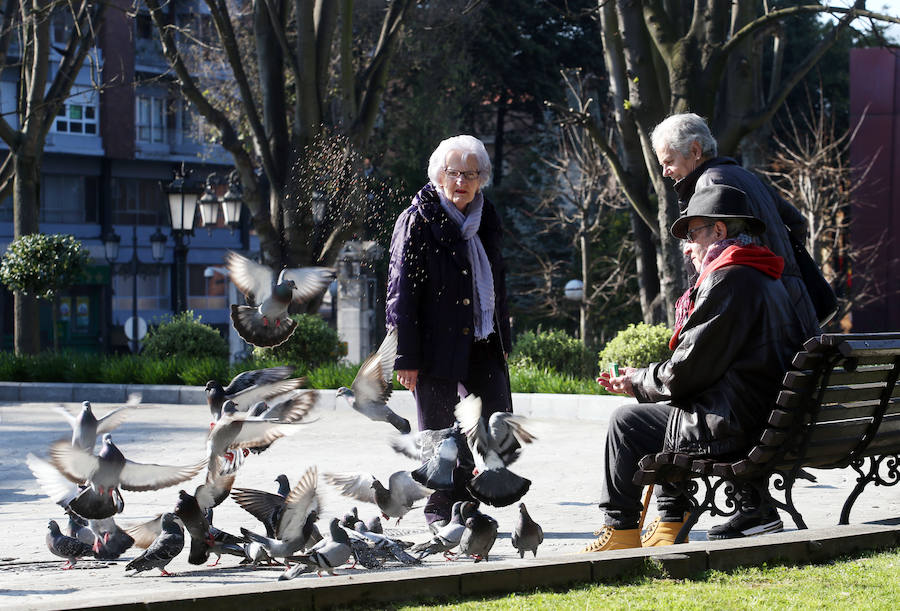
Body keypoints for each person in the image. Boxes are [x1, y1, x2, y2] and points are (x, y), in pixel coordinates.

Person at [580, 184, 807, 553]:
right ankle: (671, 521)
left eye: (693, 232)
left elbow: (684, 374)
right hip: (766, 419)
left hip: (736, 425)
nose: (686, 245)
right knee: (674, 411)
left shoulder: (729, 278)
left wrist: (636, 381)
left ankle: (619, 532)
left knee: (627, 422)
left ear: (719, 231)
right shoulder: (766, 275)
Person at [650, 113, 821, 538]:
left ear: (694, 151)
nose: (665, 171)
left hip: (750, 306)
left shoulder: (711, 188)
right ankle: (753, 506)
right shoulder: (745, 174)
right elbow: (796, 222)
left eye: (668, 161)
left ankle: (680, 513)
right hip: (788, 303)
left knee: (720, 389)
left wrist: (736, 271)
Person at [385, 134, 512, 531]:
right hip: (434, 342)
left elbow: (498, 280)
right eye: (454, 172)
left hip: (482, 338)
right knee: (439, 431)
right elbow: (400, 289)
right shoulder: (417, 219)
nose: (462, 181)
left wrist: (504, 338)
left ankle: (469, 496)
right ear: (438, 175)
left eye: (470, 174)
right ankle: (441, 507)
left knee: (492, 423)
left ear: (481, 178)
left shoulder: (486, 216)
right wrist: (404, 356)